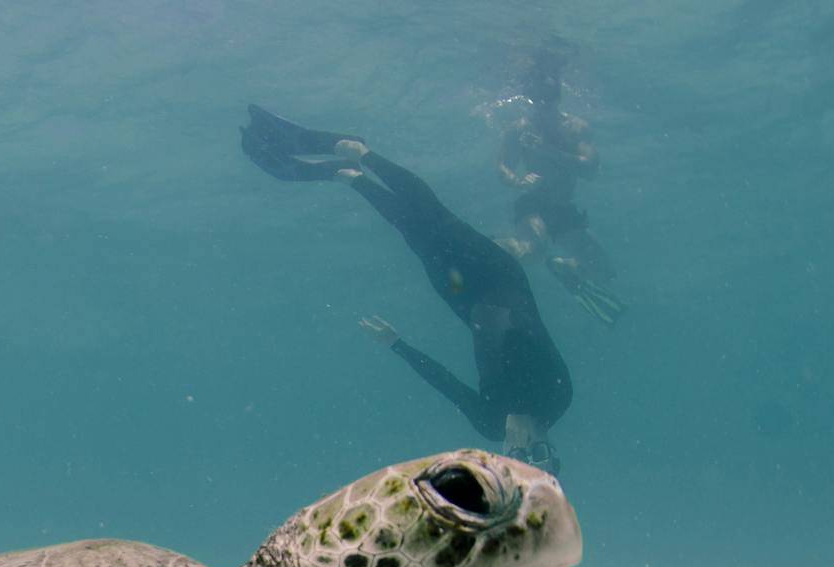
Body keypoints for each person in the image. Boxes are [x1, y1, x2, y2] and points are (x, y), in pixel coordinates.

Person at [241, 107, 570, 475]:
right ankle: (357, 152)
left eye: (515, 461)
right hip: (499, 280)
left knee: (415, 233)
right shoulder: (556, 399)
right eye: (537, 455)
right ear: (551, 449)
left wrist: (397, 344)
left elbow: (445, 382)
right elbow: (523, 329)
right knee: (436, 218)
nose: (522, 449)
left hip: (462, 299)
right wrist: (522, 408)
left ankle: (348, 177)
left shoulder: (490, 425)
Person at [495, 54, 624, 328]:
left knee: (605, 274)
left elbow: (589, 168)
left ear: (557, 98)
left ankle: (565, 265)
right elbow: (503, 166)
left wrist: (547, 151)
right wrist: (517, 181)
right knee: (531, 252)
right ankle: (491, 246)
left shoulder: (575, 128)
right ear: (529, 99)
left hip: (566, 209)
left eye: (548, 99)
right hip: (533, 204)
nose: (542, 106)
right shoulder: (517, 130)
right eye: (537, 100)